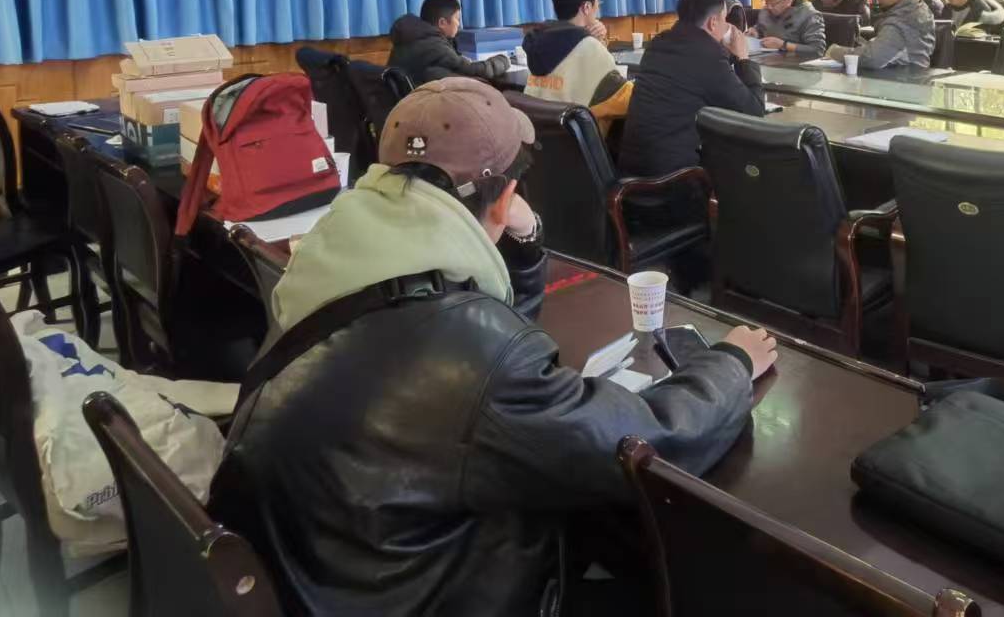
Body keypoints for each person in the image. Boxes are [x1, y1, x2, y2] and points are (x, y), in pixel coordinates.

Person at [209, 78, 777, 616]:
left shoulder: (330, 265)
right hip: (420, 594)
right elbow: (646, 440)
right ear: (505, 197)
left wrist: (520, 248)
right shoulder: (470, 354)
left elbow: (473, 329)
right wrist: (731, 363)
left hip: (327, 573)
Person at [620, 0, 769, 177]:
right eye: (725, 19)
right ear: (713, 22)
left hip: (633, 170)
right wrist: (743, 58)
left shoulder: (658, 44)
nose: (727, 26)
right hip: (673, 178)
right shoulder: (707, 55)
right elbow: (754, 112)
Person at [523, 0, 631, 126]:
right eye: (597, 3)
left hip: (538, 135)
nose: (597, 8)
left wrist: (594, 39)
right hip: (575, 136)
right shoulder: (588, 47)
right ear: (586, 7)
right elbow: (623, 101)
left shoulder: (540, 39)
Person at [829, 0, 934, 71]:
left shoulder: (900, 22)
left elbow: (872, 58)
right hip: (912, 74)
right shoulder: (918, 8)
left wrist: (834, 51)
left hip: (902, 79)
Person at [389, 0, 509, 85]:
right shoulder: (433, 45)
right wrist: (503, 60)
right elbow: (473, 70)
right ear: (442, 23)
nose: (459, 24)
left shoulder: (412, 38)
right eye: (457, 19)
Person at [754, 0, 827, 58]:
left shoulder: (809, 15)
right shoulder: (767, 9)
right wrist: (755, 31)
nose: (769, 7)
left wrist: (783, 45)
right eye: (766, 2)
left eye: (773, 3)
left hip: (794, 63)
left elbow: (818, 50)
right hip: (766, 59)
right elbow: (761, 28)